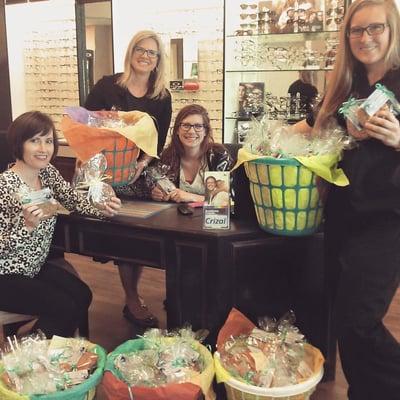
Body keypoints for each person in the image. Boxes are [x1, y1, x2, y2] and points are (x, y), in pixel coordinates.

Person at [294, 0, 400, 398]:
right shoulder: (345, 87)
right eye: (356, 30)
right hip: (340, 215)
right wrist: (261, 146)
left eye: (375, 28)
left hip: (386, 217)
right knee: (343, 320)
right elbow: (310, 126)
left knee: (359, 320)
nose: (365, 37)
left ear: (391, 30)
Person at [0, 111, 121, 339]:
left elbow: (73, 200)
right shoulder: (4, 187)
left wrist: (103, 209)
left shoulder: (47, 173)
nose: (43, 149)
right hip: (6, 276)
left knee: (83, 295)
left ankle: (32, 338)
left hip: (34, 268)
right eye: (34, 141)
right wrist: (26, 227)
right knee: (63, 306)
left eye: (48, 141)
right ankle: (35, 355)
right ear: (19, 144)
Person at [84, 30, 172, 328]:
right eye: (141, 50)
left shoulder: (160, 96)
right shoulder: (107, 86)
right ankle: (131, 298)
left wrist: (143, 163)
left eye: (152, 53)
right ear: (131, 51)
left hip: (138, 173)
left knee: (138, 239)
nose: (145, 56)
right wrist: (104, 120)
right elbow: (84, 123)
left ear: (159, 60)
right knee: (122, 242)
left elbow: (158, 139)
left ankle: (132, 296)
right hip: (106, 173)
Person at [150, 104, 233, 203]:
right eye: (186, 125)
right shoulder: (167, 156)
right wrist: (157, 193)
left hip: (211, 218)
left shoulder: (218, 155)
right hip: (177, 216)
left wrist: (192, 197)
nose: (191, 131)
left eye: (198, 126)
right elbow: (164, 190)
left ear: (205, 131)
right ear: (177, 130)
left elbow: (226, 201)